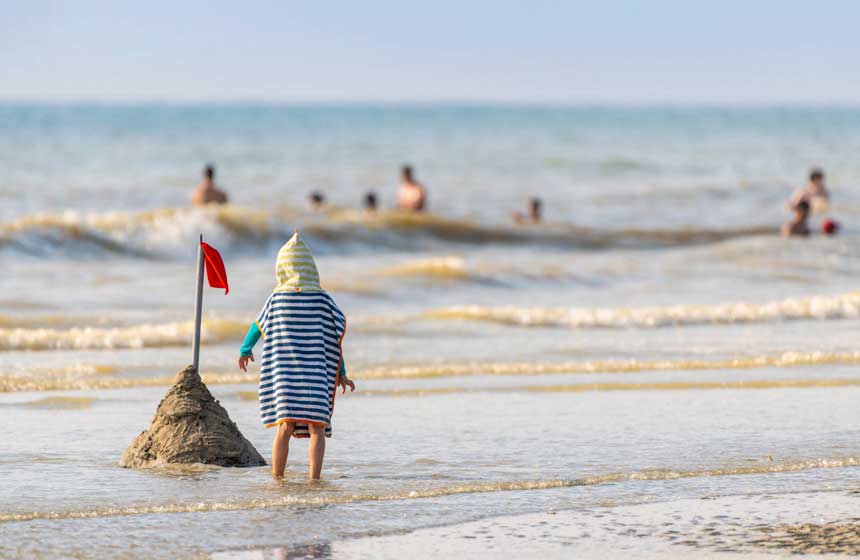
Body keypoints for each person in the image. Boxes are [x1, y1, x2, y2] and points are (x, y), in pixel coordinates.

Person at [237, 231, 355, 480]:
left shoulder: (276, 298)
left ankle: (277, 478)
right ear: (311, 267)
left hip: (285, 375)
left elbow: (257, 326)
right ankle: (314, 479)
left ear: (281, 268)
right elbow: (333, 338)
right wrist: (341, 373)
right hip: (315, 376)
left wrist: (245, 350)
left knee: (285, 426)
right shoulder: (323, 300)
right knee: (317, 426)